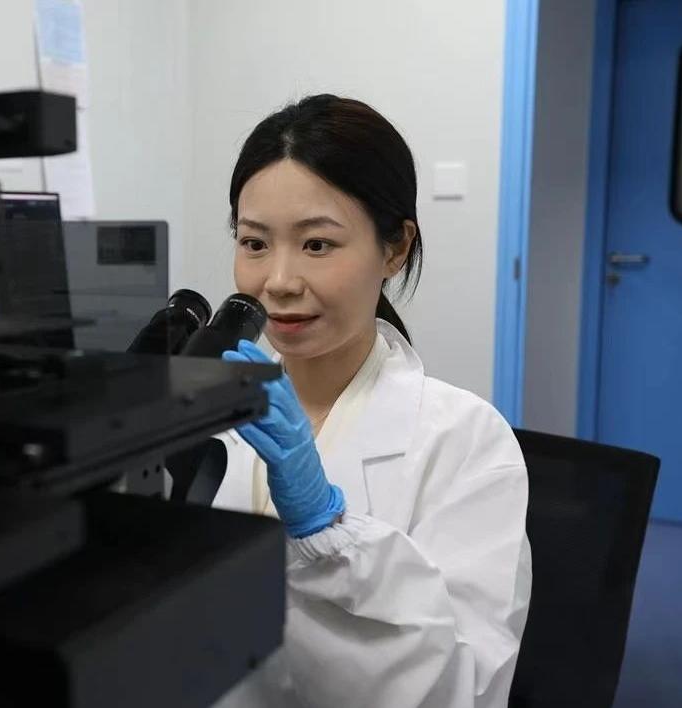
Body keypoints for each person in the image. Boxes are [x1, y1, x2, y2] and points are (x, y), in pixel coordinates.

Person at [212, 95, 532, 708]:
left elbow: (462, 688)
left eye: (317, 245)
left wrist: (326, 532)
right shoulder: (204, 413)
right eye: (254, 243)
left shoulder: (465, 441)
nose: (278, 281)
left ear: (395, 249)